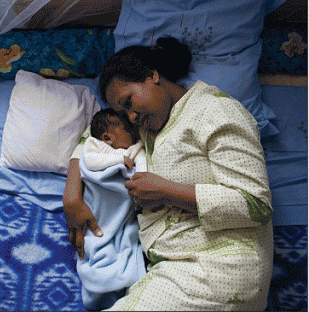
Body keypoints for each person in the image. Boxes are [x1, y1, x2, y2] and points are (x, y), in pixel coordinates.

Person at [64, 36, 273, 311]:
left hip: (220, 268)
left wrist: (167, 191)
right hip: (168, 272)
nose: (131, 117)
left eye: (129, 102)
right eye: (123, 113)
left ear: (153, 75)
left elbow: (255, 205)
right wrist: (71, 195)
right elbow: (95, 135)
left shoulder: (215, 110)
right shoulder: (149, 126)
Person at [69, 108, 147, 310]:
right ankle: (102, 284)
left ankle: (121, 286)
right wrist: (118, 160)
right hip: (100, 207)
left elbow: (143, 167)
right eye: (128, 131)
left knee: (126, 240)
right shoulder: (94, 146)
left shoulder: (133, 149)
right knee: (97, 244)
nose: (133, 136)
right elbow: (91, 163)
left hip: (124, 209)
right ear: (107, 137)